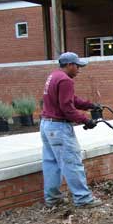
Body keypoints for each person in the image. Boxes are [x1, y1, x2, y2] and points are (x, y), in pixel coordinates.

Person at [40, 52, 102, 209]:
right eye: (78, 66)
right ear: (69, 65)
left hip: (46, 125)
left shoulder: (54, 76)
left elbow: (71, 100)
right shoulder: (66, 80)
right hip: (59, 128)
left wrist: (90, 105)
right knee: (72, 162)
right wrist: (86, 120)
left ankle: (52, 198)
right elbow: (67, 108)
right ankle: (83, 199)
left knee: (51, 163)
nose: (79, 70)